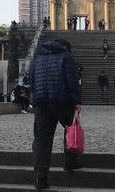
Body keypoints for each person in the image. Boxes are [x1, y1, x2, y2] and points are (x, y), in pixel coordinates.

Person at [30, 38, 82, 190]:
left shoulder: (37, 58)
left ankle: (40, 177)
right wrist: (77, 100)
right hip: (62, 100)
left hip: (41, 102)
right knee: (71, 128)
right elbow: (72, 80)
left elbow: (32, 81)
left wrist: (35, 98)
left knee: (42, 140)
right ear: (64, 47)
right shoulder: (66, 56)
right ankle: (71, 161)